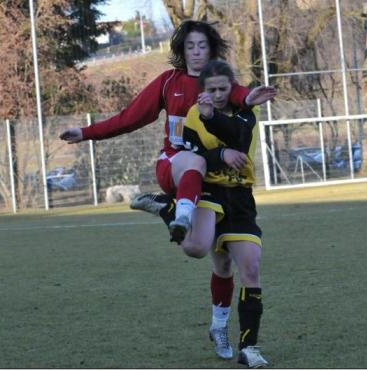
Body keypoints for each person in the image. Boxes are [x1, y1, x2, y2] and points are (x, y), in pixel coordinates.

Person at [59, 20, 273, 243]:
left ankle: (168, 209)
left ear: (211, 49)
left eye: (202, 45)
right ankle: (180, 218)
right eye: (190, 46)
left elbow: (239, 94)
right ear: (182, 50)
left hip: (212, 176)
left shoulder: (218, 82)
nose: (197, 52)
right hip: (174, 164)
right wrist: (86, 132)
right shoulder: (168, 82)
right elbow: (130, 117)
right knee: (195, 162)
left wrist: (247, 98)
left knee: (203, 250)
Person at [133, 60, 272, 368]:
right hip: (208, 192)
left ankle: (247, 347)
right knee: (196, 248)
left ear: (232, 88)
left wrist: (216, 125)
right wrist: (218, 151)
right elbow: (194, 157)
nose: (219, 94)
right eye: (212, 90)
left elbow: (240, 139)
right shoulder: (193, 115)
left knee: (248, 268)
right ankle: (170, 209)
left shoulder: (247, 111)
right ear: (202, 91)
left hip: (240, 197)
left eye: (224, 88)